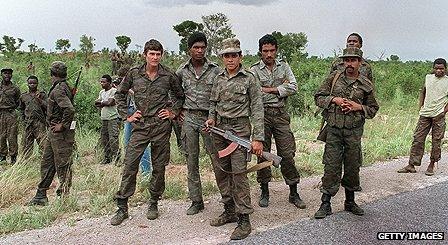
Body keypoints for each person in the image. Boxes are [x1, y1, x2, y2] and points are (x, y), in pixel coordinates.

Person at [110, 39, 185, 225]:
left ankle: (153, 201)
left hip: (161, 127)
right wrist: (127, 115)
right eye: (151, 54)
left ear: (161, 55)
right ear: (145, 55)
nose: (155, 57)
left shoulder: (168, 75)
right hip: (140, 126)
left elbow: (180, 96)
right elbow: (119, 94)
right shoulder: (134, 73)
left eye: (158, 54)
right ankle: (122, 206)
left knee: (159, 167)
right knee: (130, 165)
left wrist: (173, 112)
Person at [205, 38, 264, 240]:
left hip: (239, 131)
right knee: (221, 171)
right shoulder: (218, 78)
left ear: (240, 56)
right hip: (219, 131)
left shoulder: (249, 78)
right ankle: (229, 209)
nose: (230, 59)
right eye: (227, 55)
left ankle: (244, 218)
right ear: (222, 58)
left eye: (234, 55)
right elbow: (213, 102)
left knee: (239, 174)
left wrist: (258, 138)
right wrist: (211, 119)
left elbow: (257, 109)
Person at [314, 47, 379, 219]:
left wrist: (358, 107)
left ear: (360, 62)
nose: (349, 64)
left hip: (353, 132)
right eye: (347, 60)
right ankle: (325, 203)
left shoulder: (366, 84)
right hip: (334, 131)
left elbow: (373, 109)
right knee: (331, 166)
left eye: (353, 60)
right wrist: (334, 99)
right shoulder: (333, 79)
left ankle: (350, 201)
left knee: (352, 166)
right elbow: (318, 97)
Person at [250, 34, 306, 209]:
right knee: (262, 154)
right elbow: (254, 93)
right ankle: (264, 190)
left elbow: (294, 87)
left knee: (287, 154)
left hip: (281, 115)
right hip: (262, 115)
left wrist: (268, 89)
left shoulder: (284, 67)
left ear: (276, 50)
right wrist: (281, 89)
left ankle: (293, 191)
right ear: (260, 52)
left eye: (272, 50)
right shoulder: (253, 70)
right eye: (265, 51)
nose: (269, 54)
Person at [176, 32, 221, 215]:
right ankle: (196, 201)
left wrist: (215, 116)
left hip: (210, 120)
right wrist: (177, 111)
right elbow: (175, 93)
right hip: (189, 119)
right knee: (191, 161)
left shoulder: (215, 70)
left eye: (202, 47)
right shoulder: (181, 71)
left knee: (217, 159)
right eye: (196, 47)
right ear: (190, 49)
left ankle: (227, 198)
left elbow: (219, 96)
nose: (200, 51)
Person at [28, 61, 76, 205]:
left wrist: (63, 125)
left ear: (52, 74)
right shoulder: (62, 86)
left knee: (63, 164)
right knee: (47, 162)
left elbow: (69, 109)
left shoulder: (59, 89)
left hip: (60, 133)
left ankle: (65, 197)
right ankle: (41, 194)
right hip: (53, 132)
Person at [397, 58, 448, 176]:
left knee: (436, 141)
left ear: (445, 69)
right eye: (436, 68)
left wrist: (443, 112)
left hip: (438, 115)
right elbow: (423, 92)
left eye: (441, 68)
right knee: (418, 139)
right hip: (425, 114)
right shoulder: (428, 78)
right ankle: (411, 165)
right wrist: (421, 106)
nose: (439, 70)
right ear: (433, 68)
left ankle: (431, 165)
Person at [116, 66, 152, 174]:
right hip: (131, 113)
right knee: (128, 143)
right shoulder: (126, 87)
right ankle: (132, 169)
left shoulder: (141, 83)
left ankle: (146, 171)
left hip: (141, 114)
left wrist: (131, 91)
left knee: (141, 143)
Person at [20, 75, 48, 158]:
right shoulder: (23, 96)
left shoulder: (42, 95)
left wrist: (39, 99)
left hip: (39, 123)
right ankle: (25, 162)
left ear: (37, 84)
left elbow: (47, 106)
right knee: (26, 144)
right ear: (27, 84)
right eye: (30, 83)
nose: (32, 85)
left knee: (43, 143)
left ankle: (44, 160)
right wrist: (23, 120)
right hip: (28, 123)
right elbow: (21, 109)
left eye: (34, 83)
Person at [95, 75, 120, 164]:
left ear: (109, 82)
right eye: (101, 82)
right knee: (104, 139)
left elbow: (110, 102)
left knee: (113, 139)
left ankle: (116, 159)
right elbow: (96, 103)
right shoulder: (101, 92)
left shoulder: (113, 91)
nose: (102, 84)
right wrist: (103, 103)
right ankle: (107, 158)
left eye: (104, 82)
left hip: (112, 118)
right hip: (104, 118)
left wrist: (102, 102)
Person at [0, 68, 21, 164]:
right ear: (1, 75)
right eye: (5, 73)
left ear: (11, 75)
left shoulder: (15, 88)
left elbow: (18, 101)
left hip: (11, 113)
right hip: (0, 113)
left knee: (12, 136)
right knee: (1, 136)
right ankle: (2, 156)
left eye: (9, 73)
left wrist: (11, 108)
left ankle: (13, 156)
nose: (7, 75)